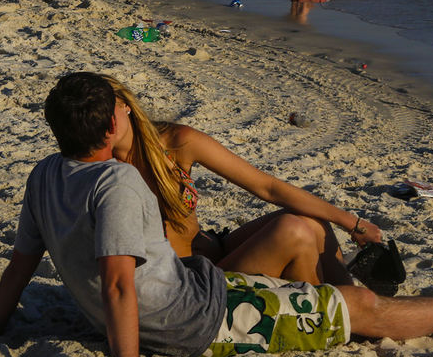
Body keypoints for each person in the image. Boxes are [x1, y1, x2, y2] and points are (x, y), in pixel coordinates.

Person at [0, 72, 433, 357]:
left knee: (315, 244)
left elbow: (23, 261)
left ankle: (372, 310)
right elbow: (116, 285)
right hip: (199, 313)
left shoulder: (47, 176)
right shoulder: (118, 184)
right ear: (114, 120)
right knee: (350, 295)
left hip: (199, 293)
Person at [102, 74, 376, 284]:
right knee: (294, 232)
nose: (105, 123)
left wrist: (354, 223)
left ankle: (349, 300)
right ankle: (330, 315)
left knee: (314, 222)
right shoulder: (104, 168)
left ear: (126, 105)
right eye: (94, 118)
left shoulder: (175, 141)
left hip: (215, 250)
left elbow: (267, 187)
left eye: (108, 110)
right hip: (190, 279)